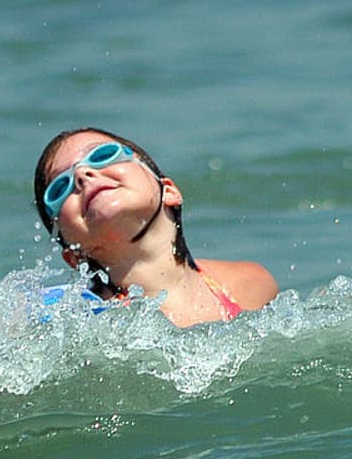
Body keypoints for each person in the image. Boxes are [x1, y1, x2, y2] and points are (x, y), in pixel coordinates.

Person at [33, 127, 278, 327]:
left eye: (101, 155)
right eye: (59, 188)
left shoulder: (251, 285)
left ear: (169, 191)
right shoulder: (77, 323)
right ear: (73, 255)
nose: (83, 174)